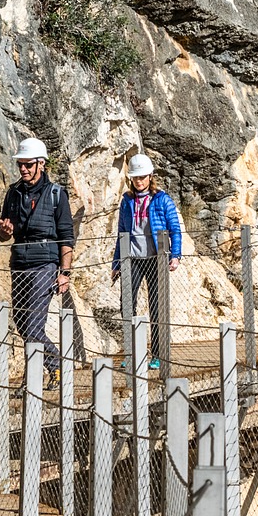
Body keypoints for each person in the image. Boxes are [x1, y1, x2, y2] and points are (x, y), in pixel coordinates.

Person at [0, 138, 74, 390]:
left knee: (33, 324)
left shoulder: (56, 194)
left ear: (41, 164)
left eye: (28, 164)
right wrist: (5, 232)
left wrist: (65, 272)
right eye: (21, 164)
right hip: (19, 262)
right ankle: (51, 368)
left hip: (45, 265)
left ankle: (47, 373)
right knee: (21, 320)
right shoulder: (13, 192)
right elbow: (3, 234)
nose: (23, 169)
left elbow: (66, 235)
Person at [112, 153, 183, 368]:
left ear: (150, 176)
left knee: (157, 306)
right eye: (135, 178)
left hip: (156, 258)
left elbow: (175, 229)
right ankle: (132, 352)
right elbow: (121, 232)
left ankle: (159, 355)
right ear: (131, 179)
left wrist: (175, 255)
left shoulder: (162, 199)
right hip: (132, 258)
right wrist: (116, 263)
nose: (139, 181)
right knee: (127, 304)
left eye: (143, 177)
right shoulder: (127, 201)